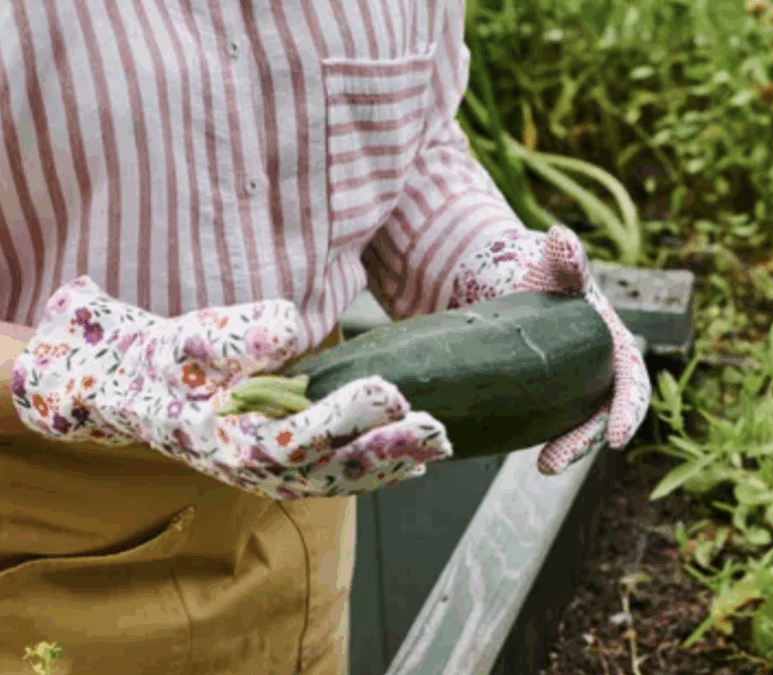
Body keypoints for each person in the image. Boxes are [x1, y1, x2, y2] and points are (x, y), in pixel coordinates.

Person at [0, 1, 651, 673]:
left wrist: (493, 269)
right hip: (44, 538)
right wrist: (95, 370)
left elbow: (412, 145)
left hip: (299, 494)